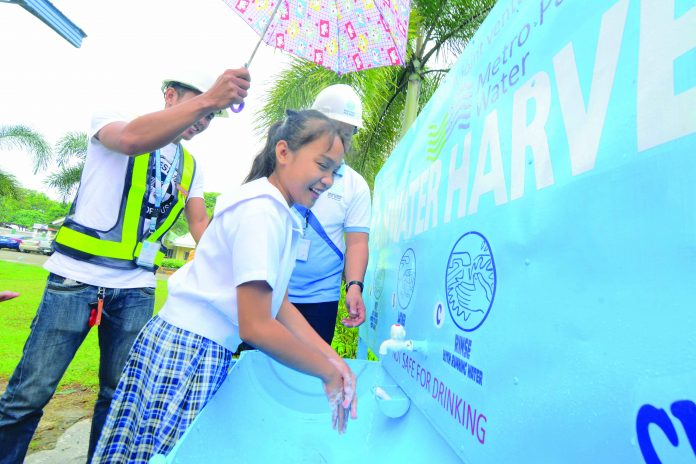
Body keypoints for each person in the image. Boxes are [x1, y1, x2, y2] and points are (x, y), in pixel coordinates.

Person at [0, 68, 251, 464]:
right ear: (170, 95)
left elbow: (200, 224)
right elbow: (131, 141)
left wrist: (240, 268)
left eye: (211, 116)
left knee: (117, 395)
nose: (203, 121)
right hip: (76, 278)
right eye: (198, 106)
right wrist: (211, 99)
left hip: (137, 288)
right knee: (28, 395)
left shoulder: (192, 165)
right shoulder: (115, 118)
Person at [91, 109, 357, 463]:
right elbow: (257, 326)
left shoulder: (275, 209)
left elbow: (279, 305)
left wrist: (334, 360)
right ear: (283, 153)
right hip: (190, 352)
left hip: (190, 346)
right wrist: (325, 372)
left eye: (335, 172)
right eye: (322, 165)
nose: (328, 180)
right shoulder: (263, 211)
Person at [287, 84, 371, 344]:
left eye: (347, 134)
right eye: (335, 131)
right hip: (273, 288)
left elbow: (357, 243)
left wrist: (354, 286)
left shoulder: (355, 185)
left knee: (312, 372)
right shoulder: (285, 165)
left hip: (321, 296)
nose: (340, 142)